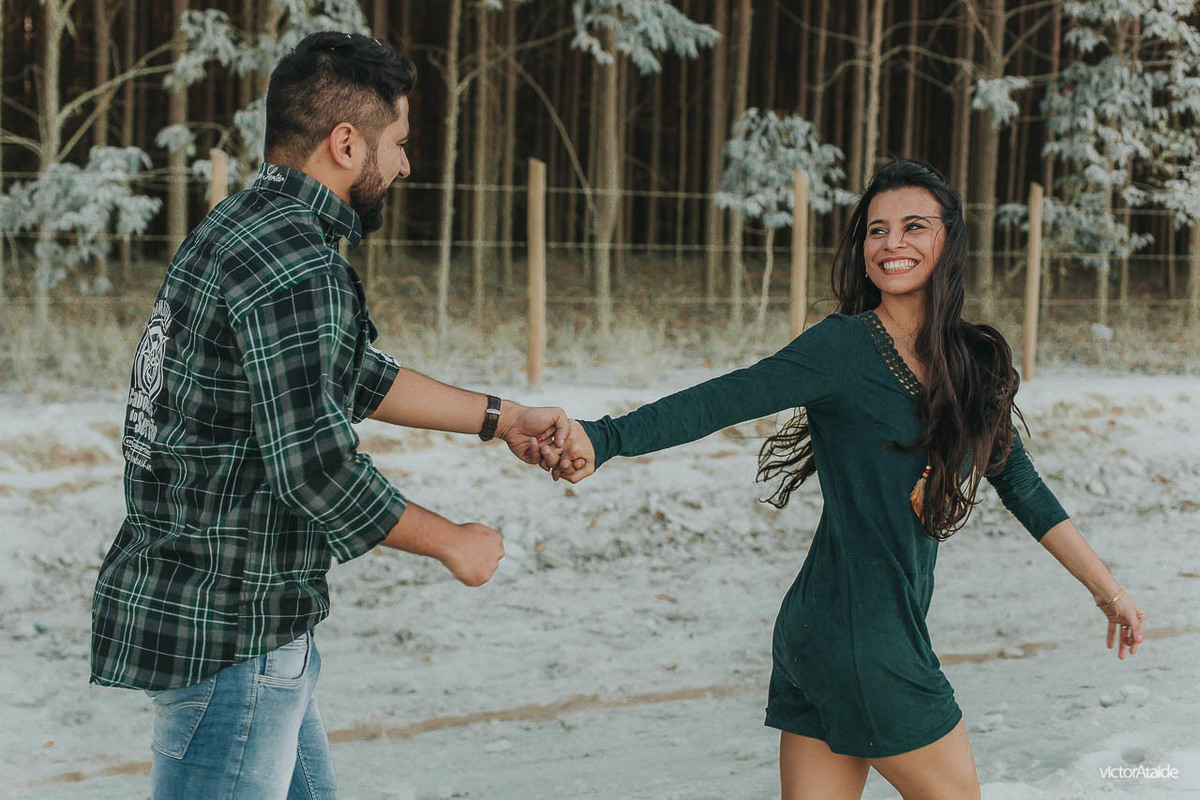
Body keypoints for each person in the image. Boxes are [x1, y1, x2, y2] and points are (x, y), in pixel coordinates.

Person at [542, 160, 1147, 800]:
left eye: (913, 227)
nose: (892, 244)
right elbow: (724, 399)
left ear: (949, 241)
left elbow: (1024, 489)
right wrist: (604, 437)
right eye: (876, 231)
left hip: (822, 638)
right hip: (870, 645)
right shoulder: (842, 347)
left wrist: (1108, 592)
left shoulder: (973, 367)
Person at [90, 32, 567, 799]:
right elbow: (314, 467)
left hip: (235, 620)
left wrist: (501, 417)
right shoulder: (298, 264)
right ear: (347, 143)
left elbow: (346, 373)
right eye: (399, 143)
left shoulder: (239, 226)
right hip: (233, 633)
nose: (405, 164)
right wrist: (454, 544)